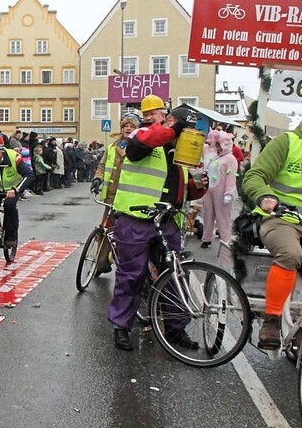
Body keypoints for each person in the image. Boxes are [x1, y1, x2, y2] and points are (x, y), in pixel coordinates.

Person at [108, 96, 208, 352]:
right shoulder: (142, 134)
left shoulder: (179, 148)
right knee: (132, 275)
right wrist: (173, 129)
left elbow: (183, 188)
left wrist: (197, 187)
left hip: (166, 220)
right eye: (149, 113)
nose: (153, 117)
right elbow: (141, 145)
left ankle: (175, 328)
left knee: (173, 274)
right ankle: (121, 326)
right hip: (135, 216)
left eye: (158, 113)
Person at [242, 100, 302, 350]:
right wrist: (266, 197)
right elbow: (255, 176)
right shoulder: (287, 143)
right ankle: (272, 320)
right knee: (290, 254)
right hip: (282, 218)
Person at [90, 112, 141, 274]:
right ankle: (100, 264)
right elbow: (102, 166)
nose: (128, 128)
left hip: (130, 198)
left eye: (132, 126)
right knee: (106, 230)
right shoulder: (112, 146)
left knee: (126, 235)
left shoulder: (140, 147)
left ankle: (125, 267)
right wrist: (97, 179)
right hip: (112, 196)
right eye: (125, 125)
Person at [199, 130, 238, 249]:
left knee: (223, 217)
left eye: (217, 144)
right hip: (209, 189)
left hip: (222, 192)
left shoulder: (230, 159)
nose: (215, 147)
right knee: (208, 214)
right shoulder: (215, 157)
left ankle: (225, 241)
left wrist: (229, 193)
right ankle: (206, 238)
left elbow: (231, 177)